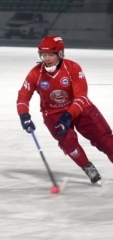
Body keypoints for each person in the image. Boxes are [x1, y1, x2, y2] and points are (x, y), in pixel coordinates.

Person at [17, 35, 113, 185]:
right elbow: (23, 97)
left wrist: (68, 114)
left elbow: (81, 97)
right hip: (53, 114)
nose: (47, 58)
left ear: (60, 54)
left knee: (105, 138)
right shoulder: (35, 73)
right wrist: (24, 116)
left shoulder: (73, 68)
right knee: (68, 142)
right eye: (43, 55)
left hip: (80, 108)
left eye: (51, 55)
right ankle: (87, 167)